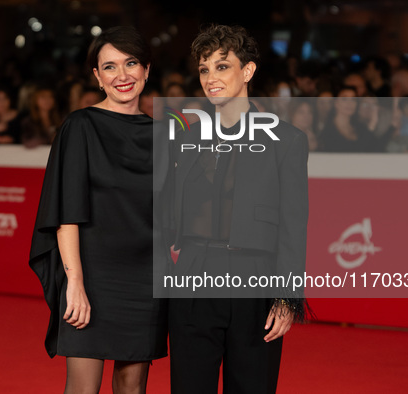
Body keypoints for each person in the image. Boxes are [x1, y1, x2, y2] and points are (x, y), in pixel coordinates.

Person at [165, 24, 309, 394]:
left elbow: (294, 223)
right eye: (204, 69)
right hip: (194, 274)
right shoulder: (185, 137)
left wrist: (286, 296)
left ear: (247, 71)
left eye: (222, 66)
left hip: (254, 277)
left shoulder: (286, 140)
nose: (211, 78)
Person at [29, 26, 167, 394]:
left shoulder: (165, 136)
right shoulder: (80, 126)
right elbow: (66, 212)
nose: (122, 75)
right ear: (97, 76)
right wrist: (74, 282)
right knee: (83, 389)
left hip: (146, 278)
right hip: (92, 275)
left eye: (131, 63)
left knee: (132, 388)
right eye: (110, 67)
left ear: (147, 70)